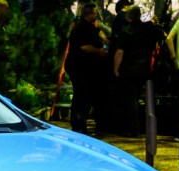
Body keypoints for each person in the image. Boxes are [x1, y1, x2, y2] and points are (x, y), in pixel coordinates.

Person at [112, 6, 164, 139]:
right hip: (146, 69)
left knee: (130, 99)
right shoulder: (149, 29)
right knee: (146, 99)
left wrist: (116, 68)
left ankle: (132, 128)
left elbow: (120, 52)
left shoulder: (125, 31)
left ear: (128, 16)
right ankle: (148, 127)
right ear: (139, 15)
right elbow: (162, 36)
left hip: (128, 70)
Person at [65, 3, 110, 135]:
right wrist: (99, 51)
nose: (96, 15)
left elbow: (98, 32)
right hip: (79, 68)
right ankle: (78, 125)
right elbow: (84, 47)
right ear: (88, 14)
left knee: (87, 96)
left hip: (87, 69)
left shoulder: (90, 28)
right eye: (95, 13)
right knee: (80, 95)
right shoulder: (80, 29)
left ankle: (82, 123)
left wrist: (105, 38)